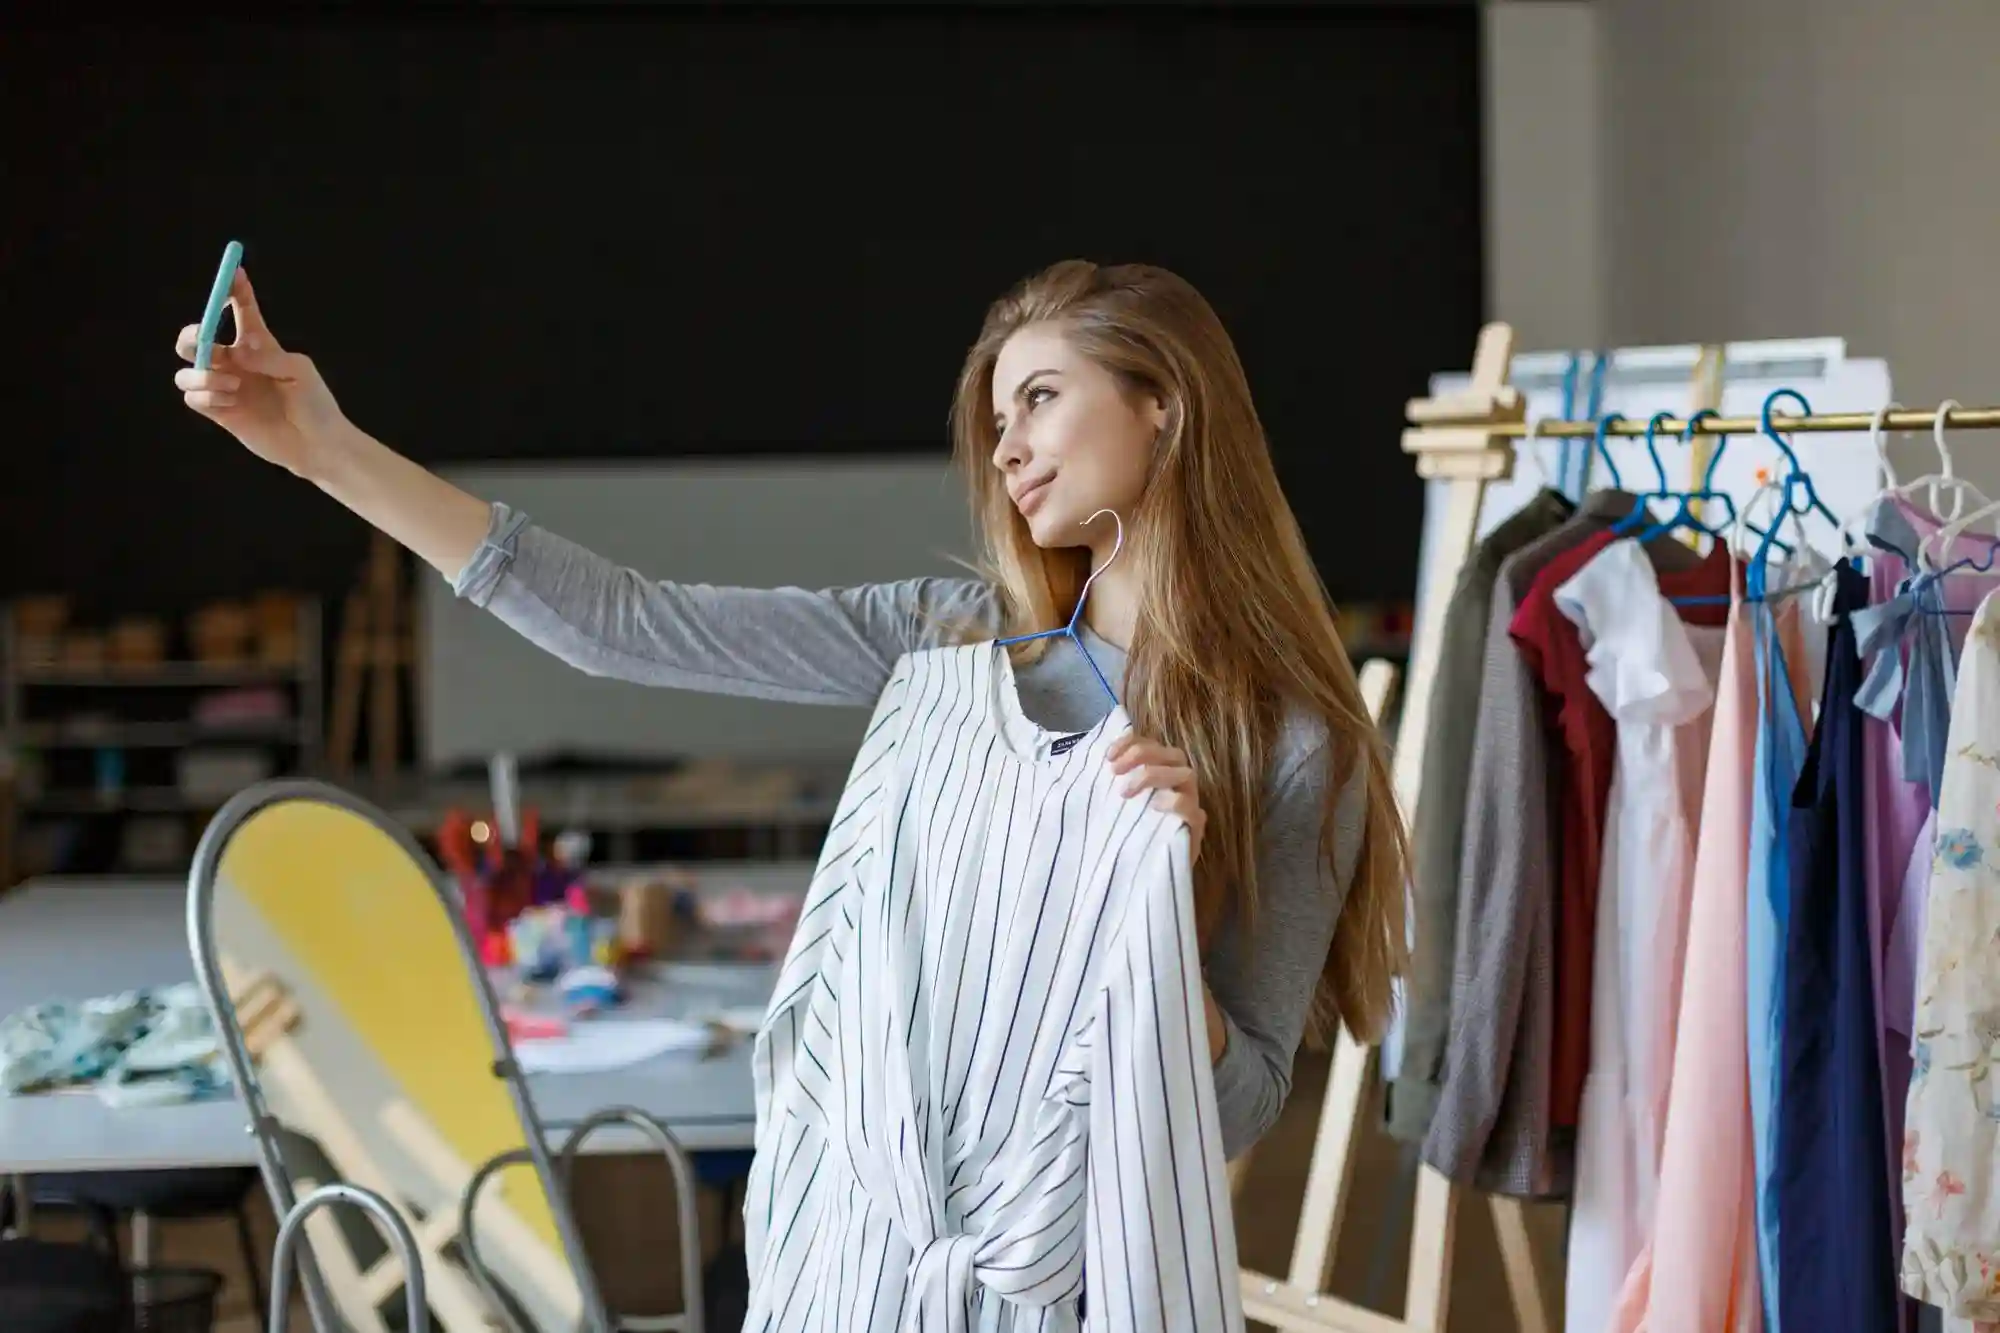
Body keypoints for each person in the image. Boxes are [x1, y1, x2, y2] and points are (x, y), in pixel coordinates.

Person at [171, 257, 1408, 1160]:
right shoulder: (952, 643)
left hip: (1090, 1247)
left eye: (1038, 397)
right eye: (995, 421)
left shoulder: (1296, 743)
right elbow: (621, 624)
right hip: (880, 1214)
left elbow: (1242, 1107)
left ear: (1162, 403)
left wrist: (1152, 915)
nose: (1005, 449)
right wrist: (323, 451)